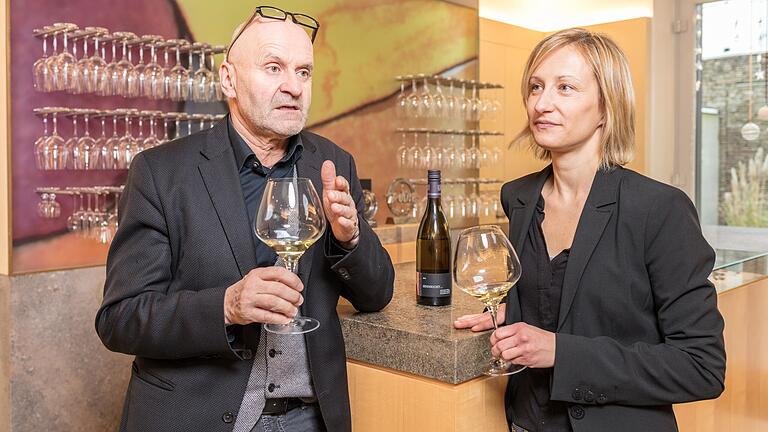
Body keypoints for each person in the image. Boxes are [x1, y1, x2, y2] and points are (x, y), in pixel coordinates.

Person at [95, 6, 394, 432]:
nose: (293, 86)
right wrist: (227, 307)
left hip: (310, 418)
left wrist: (349, 241)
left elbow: (378, 293)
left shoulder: (332, 163)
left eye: (304, 72)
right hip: (195, 419)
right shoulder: (161, 173)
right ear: (228, 79)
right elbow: (120, 319)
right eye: (274, 68)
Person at [454, 28, 725, 432]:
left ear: (606, 106)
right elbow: (572, 299)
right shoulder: (520, 197)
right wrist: (513, 314)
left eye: (566, 88)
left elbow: (701, 366)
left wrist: (562, 353)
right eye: (535, 87)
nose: (541, 104)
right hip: (524, 422)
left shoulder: (659, 209)